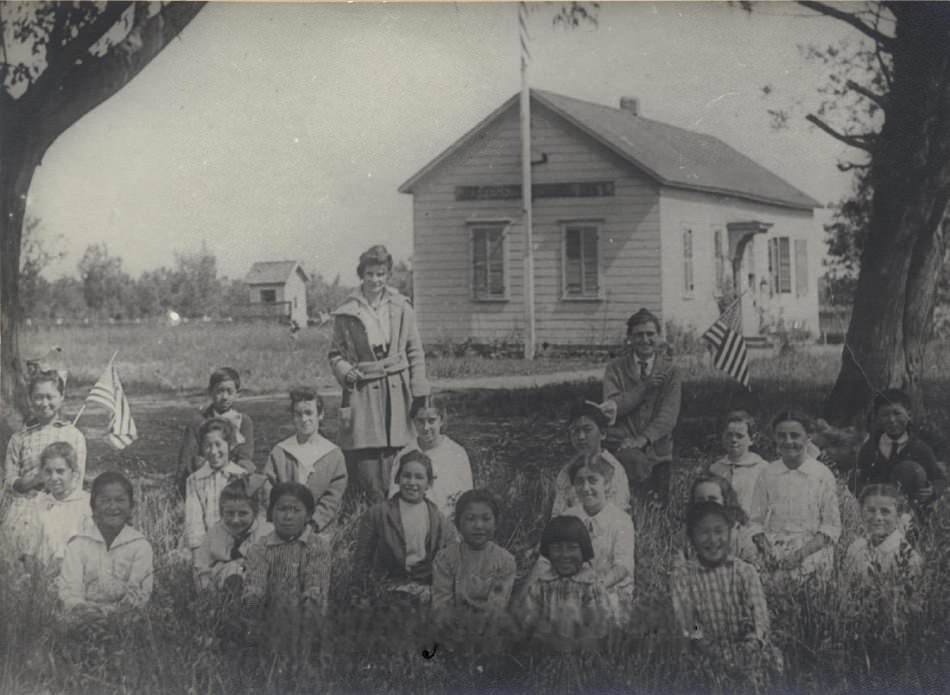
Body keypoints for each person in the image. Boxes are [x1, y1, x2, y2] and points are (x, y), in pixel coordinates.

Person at [329, 244, 430, 504]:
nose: (376, 280)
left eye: (381, 274)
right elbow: (335, 353)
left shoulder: (401, 307)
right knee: (365, 459)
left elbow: (414, 350)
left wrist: (419, 390)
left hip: (397, 387)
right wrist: (345, 370)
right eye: (370, 274)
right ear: (361, 274)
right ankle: (371, 512)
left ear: (388, 275)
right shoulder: (347, 311)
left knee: (398, 453)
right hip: (362, 390)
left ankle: (401, 509)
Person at [672, 501, 781, 687]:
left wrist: (750, 646)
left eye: (719, 531)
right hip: (706, 654)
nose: (713, 540)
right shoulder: (684, 577)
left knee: (766, 669)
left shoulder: (745, 572)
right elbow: (691, 625)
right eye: (704, 533)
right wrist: (714, 652)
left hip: (747, 652)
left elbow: (760, 618)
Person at [244, 482, 332, 672]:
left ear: (308, 515)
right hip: (270, 618)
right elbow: (256, 583)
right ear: (271, 513)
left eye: (296, 510)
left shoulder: (317, 546)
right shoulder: (260, 547)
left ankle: (304, 665)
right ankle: (270, 666)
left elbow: (316, 584)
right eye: (282, 509)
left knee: (304, 603)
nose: (288, 516)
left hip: (309, 618)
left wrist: (304, 605)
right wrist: (254, 601)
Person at [600, 308, 682, 506]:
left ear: (659, 336)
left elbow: (668, 415)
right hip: (623, 448)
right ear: (629, 338)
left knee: (656, 508)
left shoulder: (670, 371)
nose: (645, 340)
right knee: (624, 505)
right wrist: (644, 387)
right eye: (638, 335)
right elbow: (612, 409)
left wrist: (643, 439)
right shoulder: (615, 369)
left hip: (657, 450)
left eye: (650, 334)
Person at [3, 370, 87, 560]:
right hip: (26, 510)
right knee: (25, 563)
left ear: (61, 397)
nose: (44, 403)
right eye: (38, 397)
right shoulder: (19, 438)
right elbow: (10, 482)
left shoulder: (74, 436)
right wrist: (35, 479)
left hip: (63, 507)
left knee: (58, 561)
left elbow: (77, 479)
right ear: (30, 399)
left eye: (50, 396)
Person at [749, 411, 842, 582]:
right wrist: (768, 550)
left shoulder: (821, 474)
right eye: (781, 436)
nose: (788, 441)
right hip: (773, 548)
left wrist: (799, 556)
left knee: (802, 584)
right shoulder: (767, 473)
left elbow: (831, 527)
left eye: (795, 436)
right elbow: (755, 522)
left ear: (808, 437)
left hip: (811, 548)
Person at [353, 450, 451, 598]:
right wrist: (370, 591)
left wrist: (434, 590)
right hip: (387, 588)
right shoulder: (378, 514)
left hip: (425, 589)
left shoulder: (438, 518)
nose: (412, 483)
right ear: (397, 479)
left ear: (429, 483)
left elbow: (450, 561)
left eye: (419, 477)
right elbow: (362, 562)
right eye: (407, 476)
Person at [58, 472, 154, 618]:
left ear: (131, 505)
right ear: (93, 506)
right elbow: (70, 591)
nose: (112, 506)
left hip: (127, 621)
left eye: (120, 500)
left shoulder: (140, 546)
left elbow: (140, 593)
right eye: (104, 500)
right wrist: (83, 609)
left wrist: (112, 614)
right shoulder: (78, 545)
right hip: (82, 619)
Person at [432, 489, 517, 645]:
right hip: (452, 630)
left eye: (486, 519)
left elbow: (497, 605)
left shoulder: (505, 561)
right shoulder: (445, 558)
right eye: (470, 519)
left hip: (488, 631)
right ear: (458, 524)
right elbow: (442, 604)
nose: (479, 526)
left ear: (496, 522)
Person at [514, 515, 611, 651]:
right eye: (557, 548)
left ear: (583, 550)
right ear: (548, 551)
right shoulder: (542, 584)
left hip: (582, 650)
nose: (565, 555)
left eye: (572, 548)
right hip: (547, 648)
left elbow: (600, 627)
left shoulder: (591, 585)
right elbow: (528, 620)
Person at [263, 387, 347, 535]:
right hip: (281, 525)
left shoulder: (333, 455)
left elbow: (333, 497)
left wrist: (313, 524)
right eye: (298, 414)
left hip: (318, 530)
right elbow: (268, 489)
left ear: (320, 415)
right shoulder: (280, 451)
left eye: (309, 413)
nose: (303, 419)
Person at [562, 455, 635, 624]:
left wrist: (596, 588)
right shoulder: (568, 516)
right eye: (579, 482)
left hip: (611, 590)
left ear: (607, 484)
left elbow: (623, 566)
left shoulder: (621, 520)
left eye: (592, 480)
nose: (586, 488)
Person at [850, 389, 946, 517]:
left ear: (909, 415)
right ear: (877, 418)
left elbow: (940, 479)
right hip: (877, 513)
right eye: (885, 415)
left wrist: (932, 490)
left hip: (910, 513)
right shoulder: (870, 448)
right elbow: (856, 479)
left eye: (897, 413)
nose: (892, 420)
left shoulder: (920, 449)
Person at [387, 395, 473, 520]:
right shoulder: (404, 455)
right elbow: (393, 499)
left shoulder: (457, 453)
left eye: (431, 420)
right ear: (413, 422)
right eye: (420, 421)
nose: (426, 427)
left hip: (449, 524)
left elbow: (468, 498)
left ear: (441, 420)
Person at [177, 367, 255, 494]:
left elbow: (245, 456)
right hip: (203, 480)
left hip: (233, 480)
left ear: (237, 394)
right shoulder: (198, 422)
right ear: (210, 392)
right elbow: (186, 460)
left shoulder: (244, 422)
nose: (224, 397)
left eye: (230, 392)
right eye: (219, 391)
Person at [184, 418, 251, 556]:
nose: (213, 451)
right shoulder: (194, 480)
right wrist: (200, 561)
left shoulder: (242, 477)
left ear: (230, 445)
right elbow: (194, 525)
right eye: (208, 445)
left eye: (218, 444)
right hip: (207, 549)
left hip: (240, 549)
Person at [843, 483, 923, 600]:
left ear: (898, 515)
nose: (877, 517)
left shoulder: (908, 557)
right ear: (861, 512)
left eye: (885, 511)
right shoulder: (855, 548)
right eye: (870, 510)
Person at [194, 477, 272, 593]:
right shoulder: (215, 532)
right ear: (221, 512)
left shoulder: (267, 531)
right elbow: (201, 566)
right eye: (230, 513)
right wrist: (206, 590)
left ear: (255, 512)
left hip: (258, 584)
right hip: (221, 586)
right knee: (230, 569)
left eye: (243, 513)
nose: (235, 520)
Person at [551, 401, 630, 516]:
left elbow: (618, 514)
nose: (581, 437)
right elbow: (557, 513)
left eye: (587, 430)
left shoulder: (613, 469)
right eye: (575, 431)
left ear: (602, 433)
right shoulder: (566, 471)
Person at [673, 473, 753, 571]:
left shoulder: (742, 537)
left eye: (713, 499)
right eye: (700, 500)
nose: (707, 504)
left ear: (725, 501)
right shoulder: (684, 537)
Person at [31, 442, 90, 570]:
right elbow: (30, 547)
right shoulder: (39, 503)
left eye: (60, 471)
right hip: (43, 576)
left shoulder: (86, 505)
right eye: (48, 471)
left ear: (74, 473)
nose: (53, 477)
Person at [707, 411, 768, 518]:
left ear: (752, 439)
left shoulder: (763, 469)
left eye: (739, 436)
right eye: (729, 435)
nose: (733, 440)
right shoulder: (715, 469)